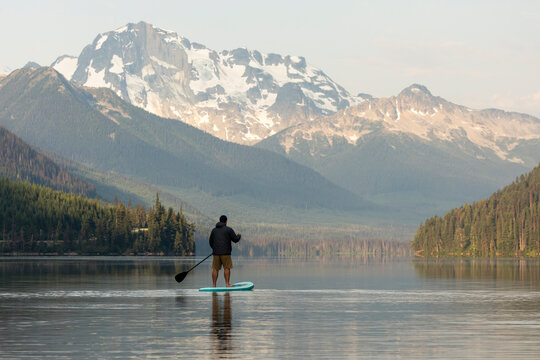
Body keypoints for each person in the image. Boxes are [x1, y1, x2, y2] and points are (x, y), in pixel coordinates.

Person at [209, 215, 241, 287]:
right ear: (226, 221)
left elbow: (210, 241)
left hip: (216, 253)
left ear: (219, 220)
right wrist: (239, 236)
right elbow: (235, 240)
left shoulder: (214, 230)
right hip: (226, 253)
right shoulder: (229, 229)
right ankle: (227, 284)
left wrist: (214, 249)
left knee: (215, 269)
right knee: (227, 268)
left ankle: (214, 285)